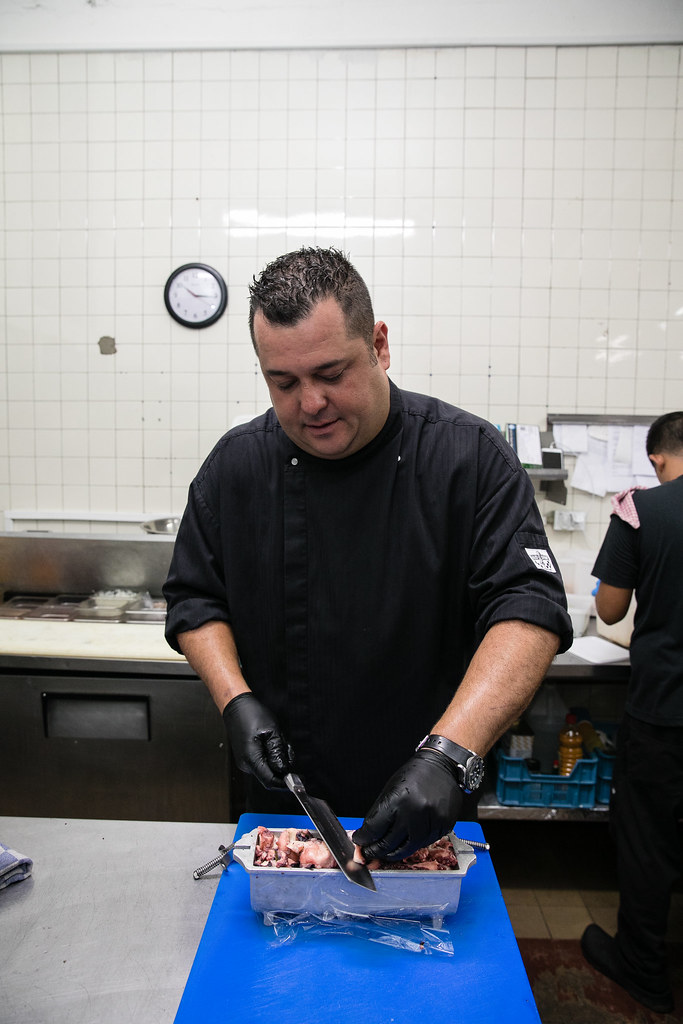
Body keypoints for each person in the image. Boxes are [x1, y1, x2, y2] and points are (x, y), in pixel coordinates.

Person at [163, 246, 572, 863]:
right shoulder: (236, 467)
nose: (310, 404)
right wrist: (235, 699)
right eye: (284, 382)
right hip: (283, 805)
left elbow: (530, 609)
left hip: (424, 797)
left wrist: (450, 754)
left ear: (379, 345)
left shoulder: (468, 460)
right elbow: (195, 597)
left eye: (331, 374)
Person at [581, 411, 683, 1016]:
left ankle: (644, 971)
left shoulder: (641, 509)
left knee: (650, 844)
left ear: (657, 459)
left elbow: (611, 611)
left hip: (666, 709)